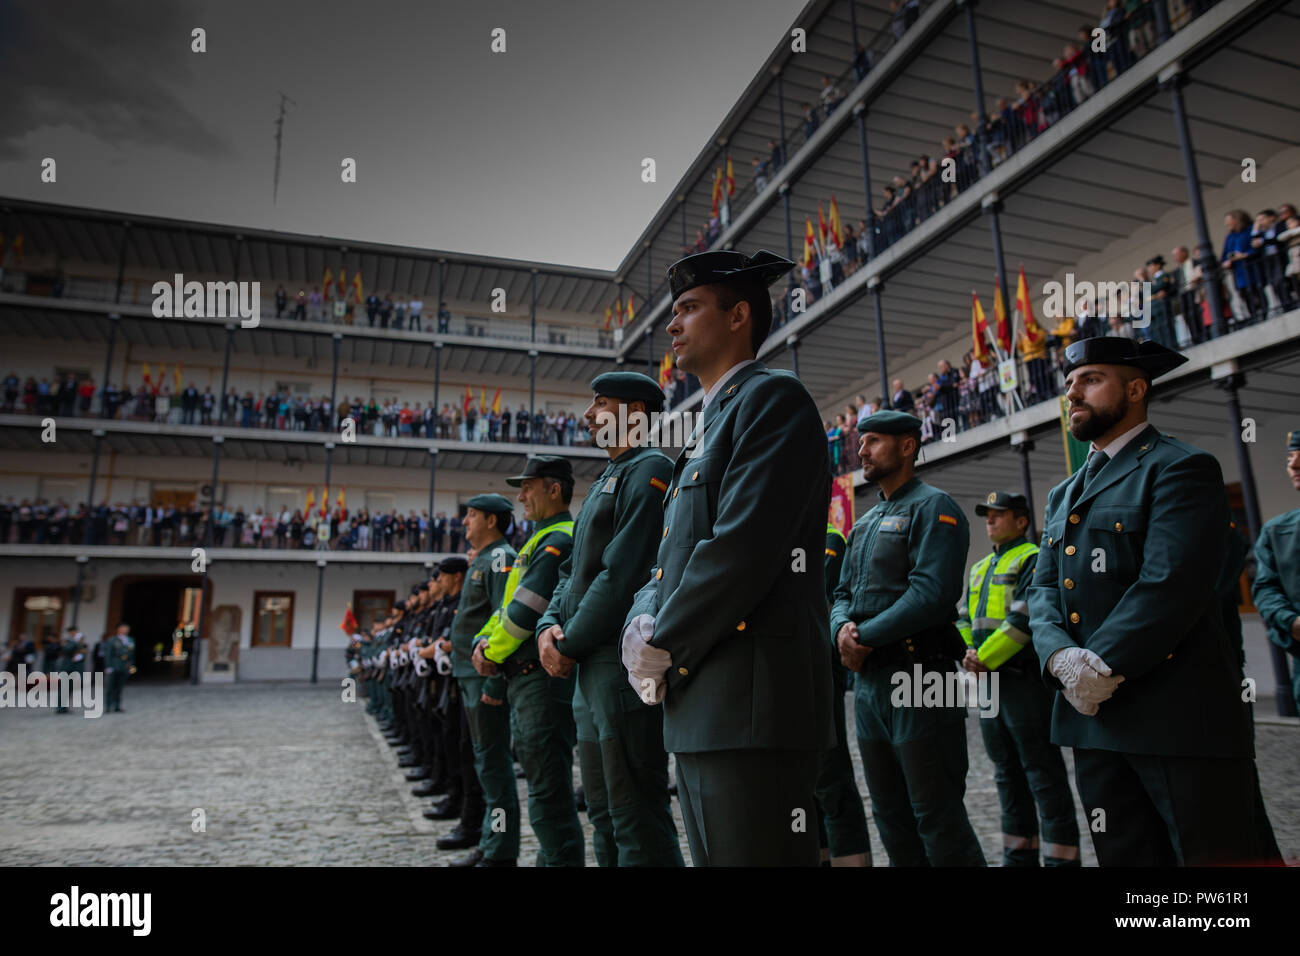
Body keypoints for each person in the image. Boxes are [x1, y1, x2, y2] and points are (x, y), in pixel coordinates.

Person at [621, 248, 833, 867]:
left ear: (739, 315)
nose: (671, 324)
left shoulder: (773, 400)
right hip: (703, 703)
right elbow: (670, 559)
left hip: (753, 705)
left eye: (689, 308)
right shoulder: (705, 429)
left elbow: (742, 548)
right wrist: (640, 619)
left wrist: (664, 640)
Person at [1029, 336, 1259, 865]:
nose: (1074, 395)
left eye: (1090, 380)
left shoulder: (1180, 467)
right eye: (1069, 385)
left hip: (1174, 715)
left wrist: (1099, 664)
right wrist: (1059, 658)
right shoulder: (1063, 494)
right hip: (1092, 717)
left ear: (1135, 389)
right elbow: (1041, 590)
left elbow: (1170, 582)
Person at [536, 372, 684, 867]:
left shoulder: (650, 469)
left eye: (601, 403)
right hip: (586, 669)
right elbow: (570, 572)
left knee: (635, 814)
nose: (588, 414)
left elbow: (620, 576)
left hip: (617, 671)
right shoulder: (606, 476)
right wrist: (547, 629)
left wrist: (568, 641)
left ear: (635, 414)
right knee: (600, 811)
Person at [830, 409, 985, 866]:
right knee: (891, 817)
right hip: (871, 686)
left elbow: (932, 596)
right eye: (861, 441)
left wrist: (864, 637)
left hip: (921, 679)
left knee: (938, 818)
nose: (861, 450)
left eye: (873, 440)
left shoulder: (934, 507)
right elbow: (841, 593)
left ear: (907, 446)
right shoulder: (863, 522)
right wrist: (842, 628)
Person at [957, 492, 1079, 866]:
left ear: (1022, 520)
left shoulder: (1033, 558)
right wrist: (968, 654)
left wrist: (984, 658)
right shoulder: (979, 567)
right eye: (987, 516)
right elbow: (961, 615)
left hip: (1024, 683)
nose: (990, 521)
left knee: (1041, 771)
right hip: (990, 684)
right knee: (1005, 773)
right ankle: (1018, 855)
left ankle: (1061, 857)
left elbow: (1024, 619)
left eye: (999, 515)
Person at [473, 456, 583, 866]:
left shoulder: (560, 539)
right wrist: (486, 638)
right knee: (542, 791)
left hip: (539, 680)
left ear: (554, 490)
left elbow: (526, 611)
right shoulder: (537, 540)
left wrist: (489, 651)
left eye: (528, 487)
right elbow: (505, 606)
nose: (520, 497)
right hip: (524, 680)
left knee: (549, 797)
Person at [445, 494, 517, 867]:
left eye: (471, 515)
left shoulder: (501, 558)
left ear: (492, 521)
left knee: (494, 766)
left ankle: (500, 849)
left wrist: (495, 684)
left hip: (484, 679)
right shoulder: (485, 560)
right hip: (467, 675)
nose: (465, 522)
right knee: (484, 764)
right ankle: (491, 842)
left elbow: (502, 620)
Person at [816, 521, 871, 866]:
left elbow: (822, 598)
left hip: (818, 670)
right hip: (782, 675)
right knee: (802, 783)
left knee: (830, 779)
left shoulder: (829, 538)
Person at [1251, 428, 1300, 716]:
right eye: (1289, 458)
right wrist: (1292, 622)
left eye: (1299, 456)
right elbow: (1265, 589)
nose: (1292, 465)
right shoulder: (1278, 532)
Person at [104, 623, 136, 713]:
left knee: (119, 687)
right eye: (124, 628)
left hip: (124, 666)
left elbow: (132, 654)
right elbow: (108, 654)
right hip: (114, 665)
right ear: (118, 629)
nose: (126, 630)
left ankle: (117, 706)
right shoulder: (112, 640)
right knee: (110, 687)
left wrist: (131, 665)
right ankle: (108, 706)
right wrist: (108, 666)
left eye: (127, 628)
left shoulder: (130, 640)